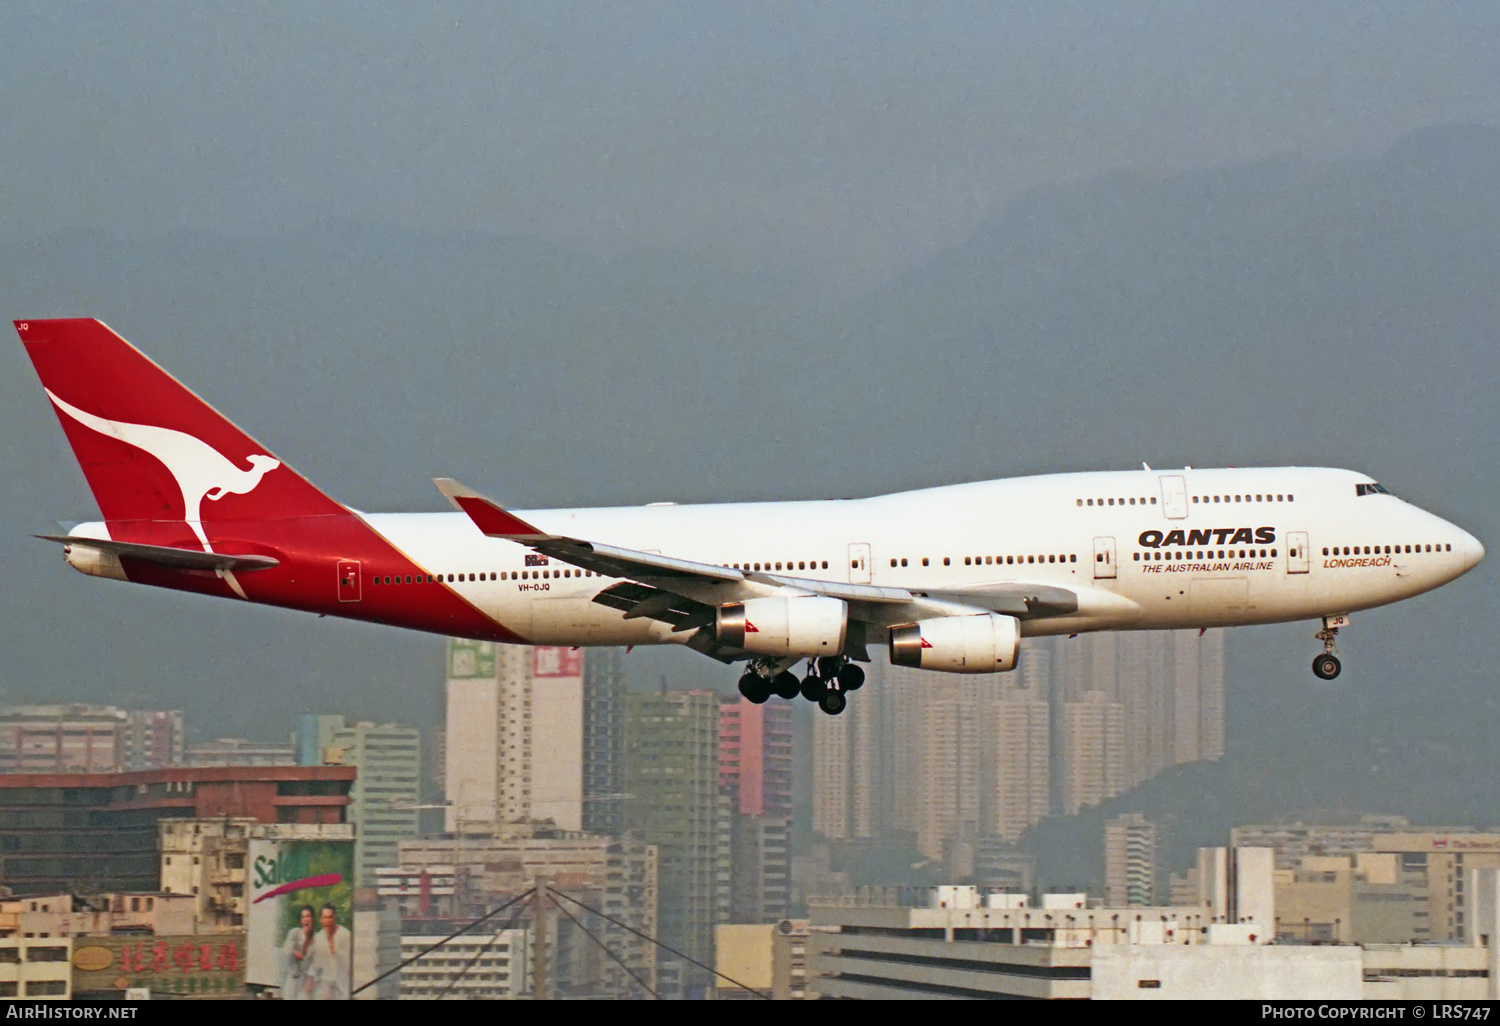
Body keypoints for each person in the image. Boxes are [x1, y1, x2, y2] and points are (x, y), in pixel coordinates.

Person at [307, 903, 353, 1000]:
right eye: (325, 918)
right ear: (321, 920)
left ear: (335, 919)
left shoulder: (346, 935)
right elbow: (315, 964)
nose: (327, 921)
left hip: (344, 986)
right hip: (326, 986)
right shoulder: (318, 939)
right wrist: (310, 980)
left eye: (330, 917)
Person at [280, 906, 316, 1000]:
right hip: (292, 979)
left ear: (313, 919)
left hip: (306, 982)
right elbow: (286, 949)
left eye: (308, 916)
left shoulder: (316, 939)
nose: (306, 919)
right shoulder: (295, 933)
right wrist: (293, 952)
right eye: (303, 917)